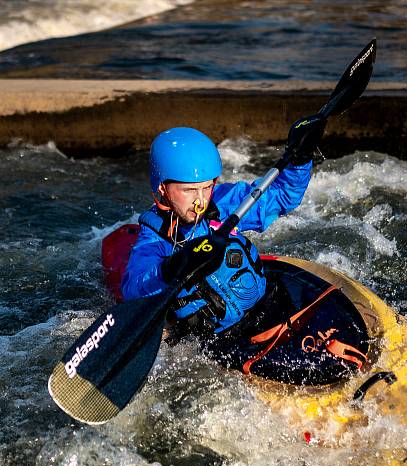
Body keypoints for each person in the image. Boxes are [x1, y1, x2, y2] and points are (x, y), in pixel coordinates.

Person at [121, 120, 369, 384]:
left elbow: (283, 196)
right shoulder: (154, 240)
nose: (200, 200)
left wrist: (301, 158)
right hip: (227, 338)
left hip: (270, 302)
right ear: (162, 189)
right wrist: (175, 265)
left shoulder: (223, 204)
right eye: (189, 190)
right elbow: (134, 289)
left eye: (207, 186)